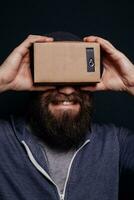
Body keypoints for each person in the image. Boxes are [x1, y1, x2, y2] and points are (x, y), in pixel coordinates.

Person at [0, 32, 134, 200]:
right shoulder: (3, 141)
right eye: (54, 77)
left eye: (77, 79)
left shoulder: (115, 143)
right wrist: (2, 80)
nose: (67, 90)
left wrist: (132, 83)